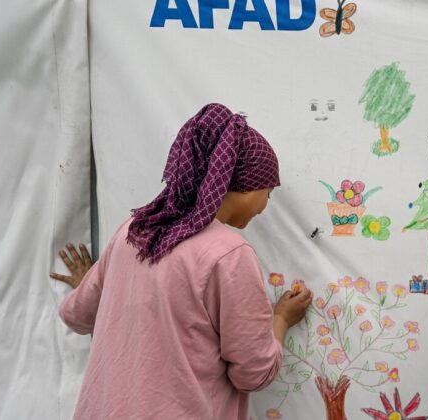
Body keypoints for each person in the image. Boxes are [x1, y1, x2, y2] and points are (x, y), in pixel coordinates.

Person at [50, 103, 312, 420]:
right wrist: (281, 319)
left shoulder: (133, 232)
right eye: (268, 192)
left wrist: (94, 284)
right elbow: (252, 374)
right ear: (244, 187)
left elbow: (76, 314)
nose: (265, 205)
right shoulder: (228, 254)